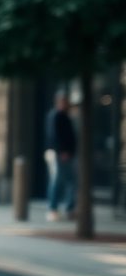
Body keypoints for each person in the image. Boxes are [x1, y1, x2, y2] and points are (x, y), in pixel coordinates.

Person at [44, 92, 77, 221]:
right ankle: (53, 209)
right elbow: (54, 136)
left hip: (66, 154)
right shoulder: (56, 116)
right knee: (56, 181)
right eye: (63, 101)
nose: (66, 104)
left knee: (70, 181)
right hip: (58, 154)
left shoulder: (65, 116)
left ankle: (69, 208)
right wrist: (62, 151)